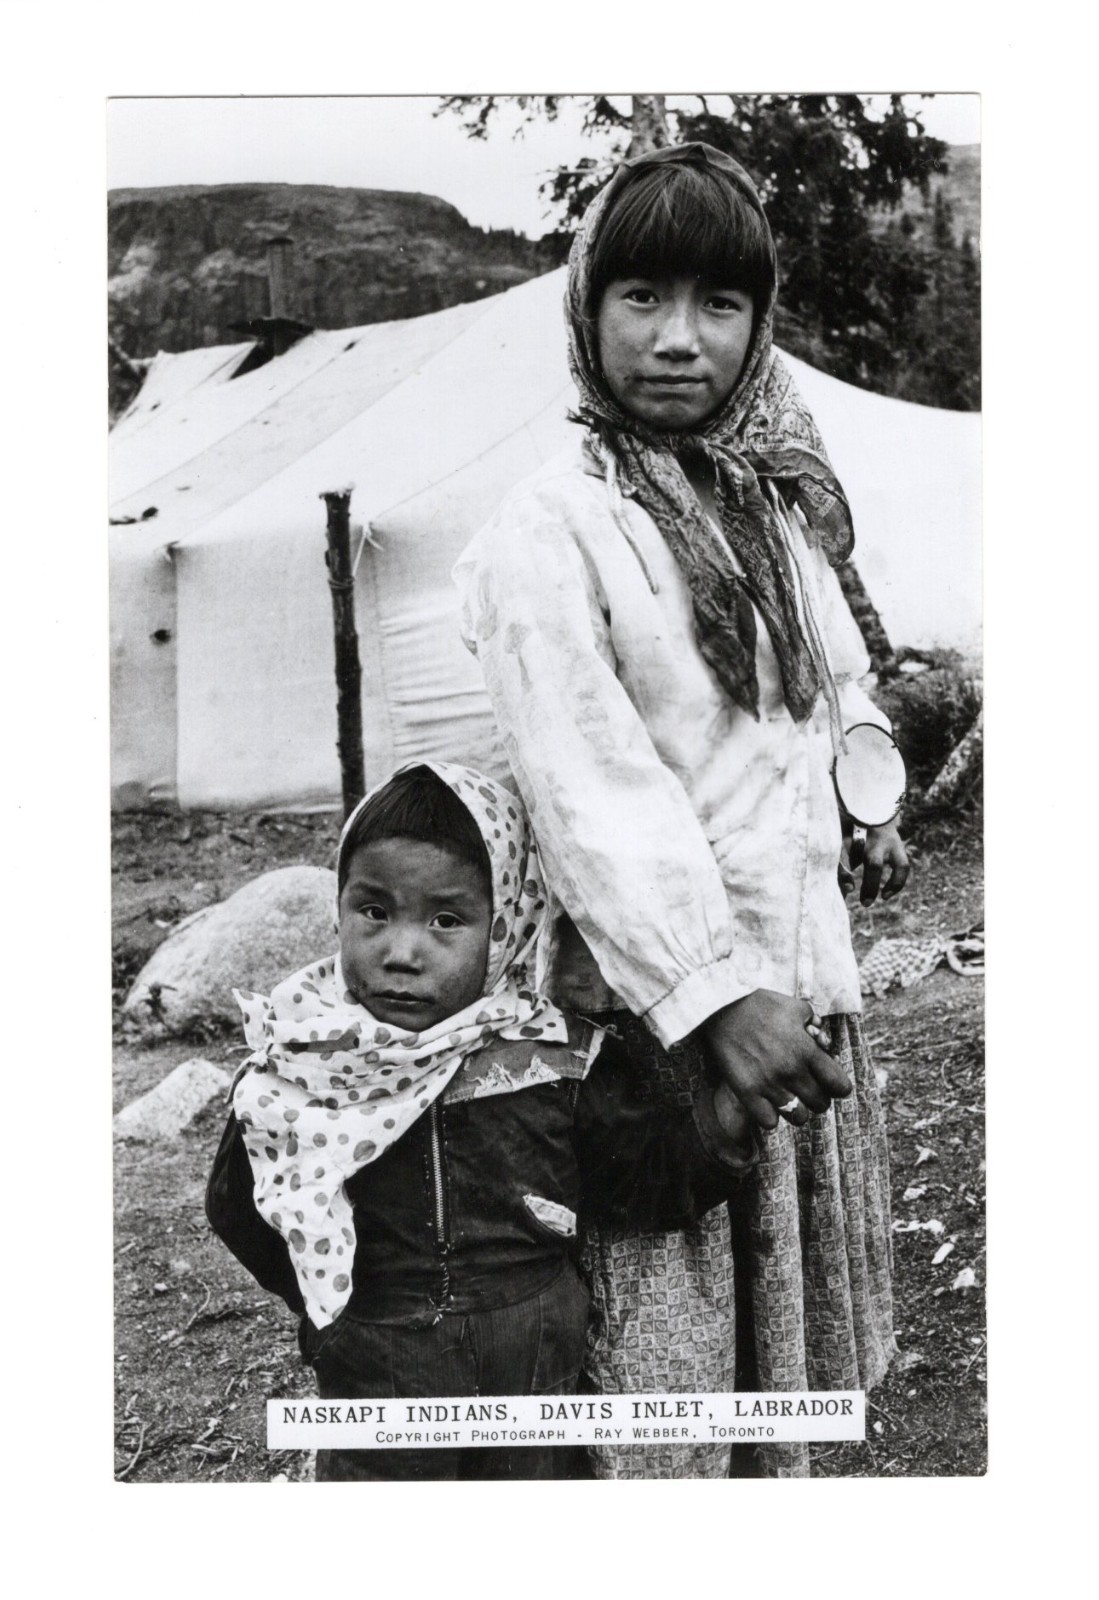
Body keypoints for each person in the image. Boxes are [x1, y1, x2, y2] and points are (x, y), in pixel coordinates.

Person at [454, 142, 910, 1479]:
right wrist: (715, 995)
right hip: (663, 1034)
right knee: (668, 1403)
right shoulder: (549, 529)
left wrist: (863, 789)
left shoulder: (763, 510)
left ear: (759, 326)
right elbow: (595, 789)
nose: (676, 340)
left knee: (781, 1394)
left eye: (719, 305)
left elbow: (836, 681)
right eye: (639, 296)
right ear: (586, 307)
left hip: (796, 994)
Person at [207, 759, 758, 1481]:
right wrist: (330, 1313)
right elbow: (238, 1202)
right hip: (379, 1374)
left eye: (445, 920)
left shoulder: (554, 1056)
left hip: (533, 1366)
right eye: (373, 911)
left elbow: (640, 1181)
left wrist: (725, 1122)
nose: (401, 952)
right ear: (338, 905)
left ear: (506, 925)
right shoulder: (305, 1060)